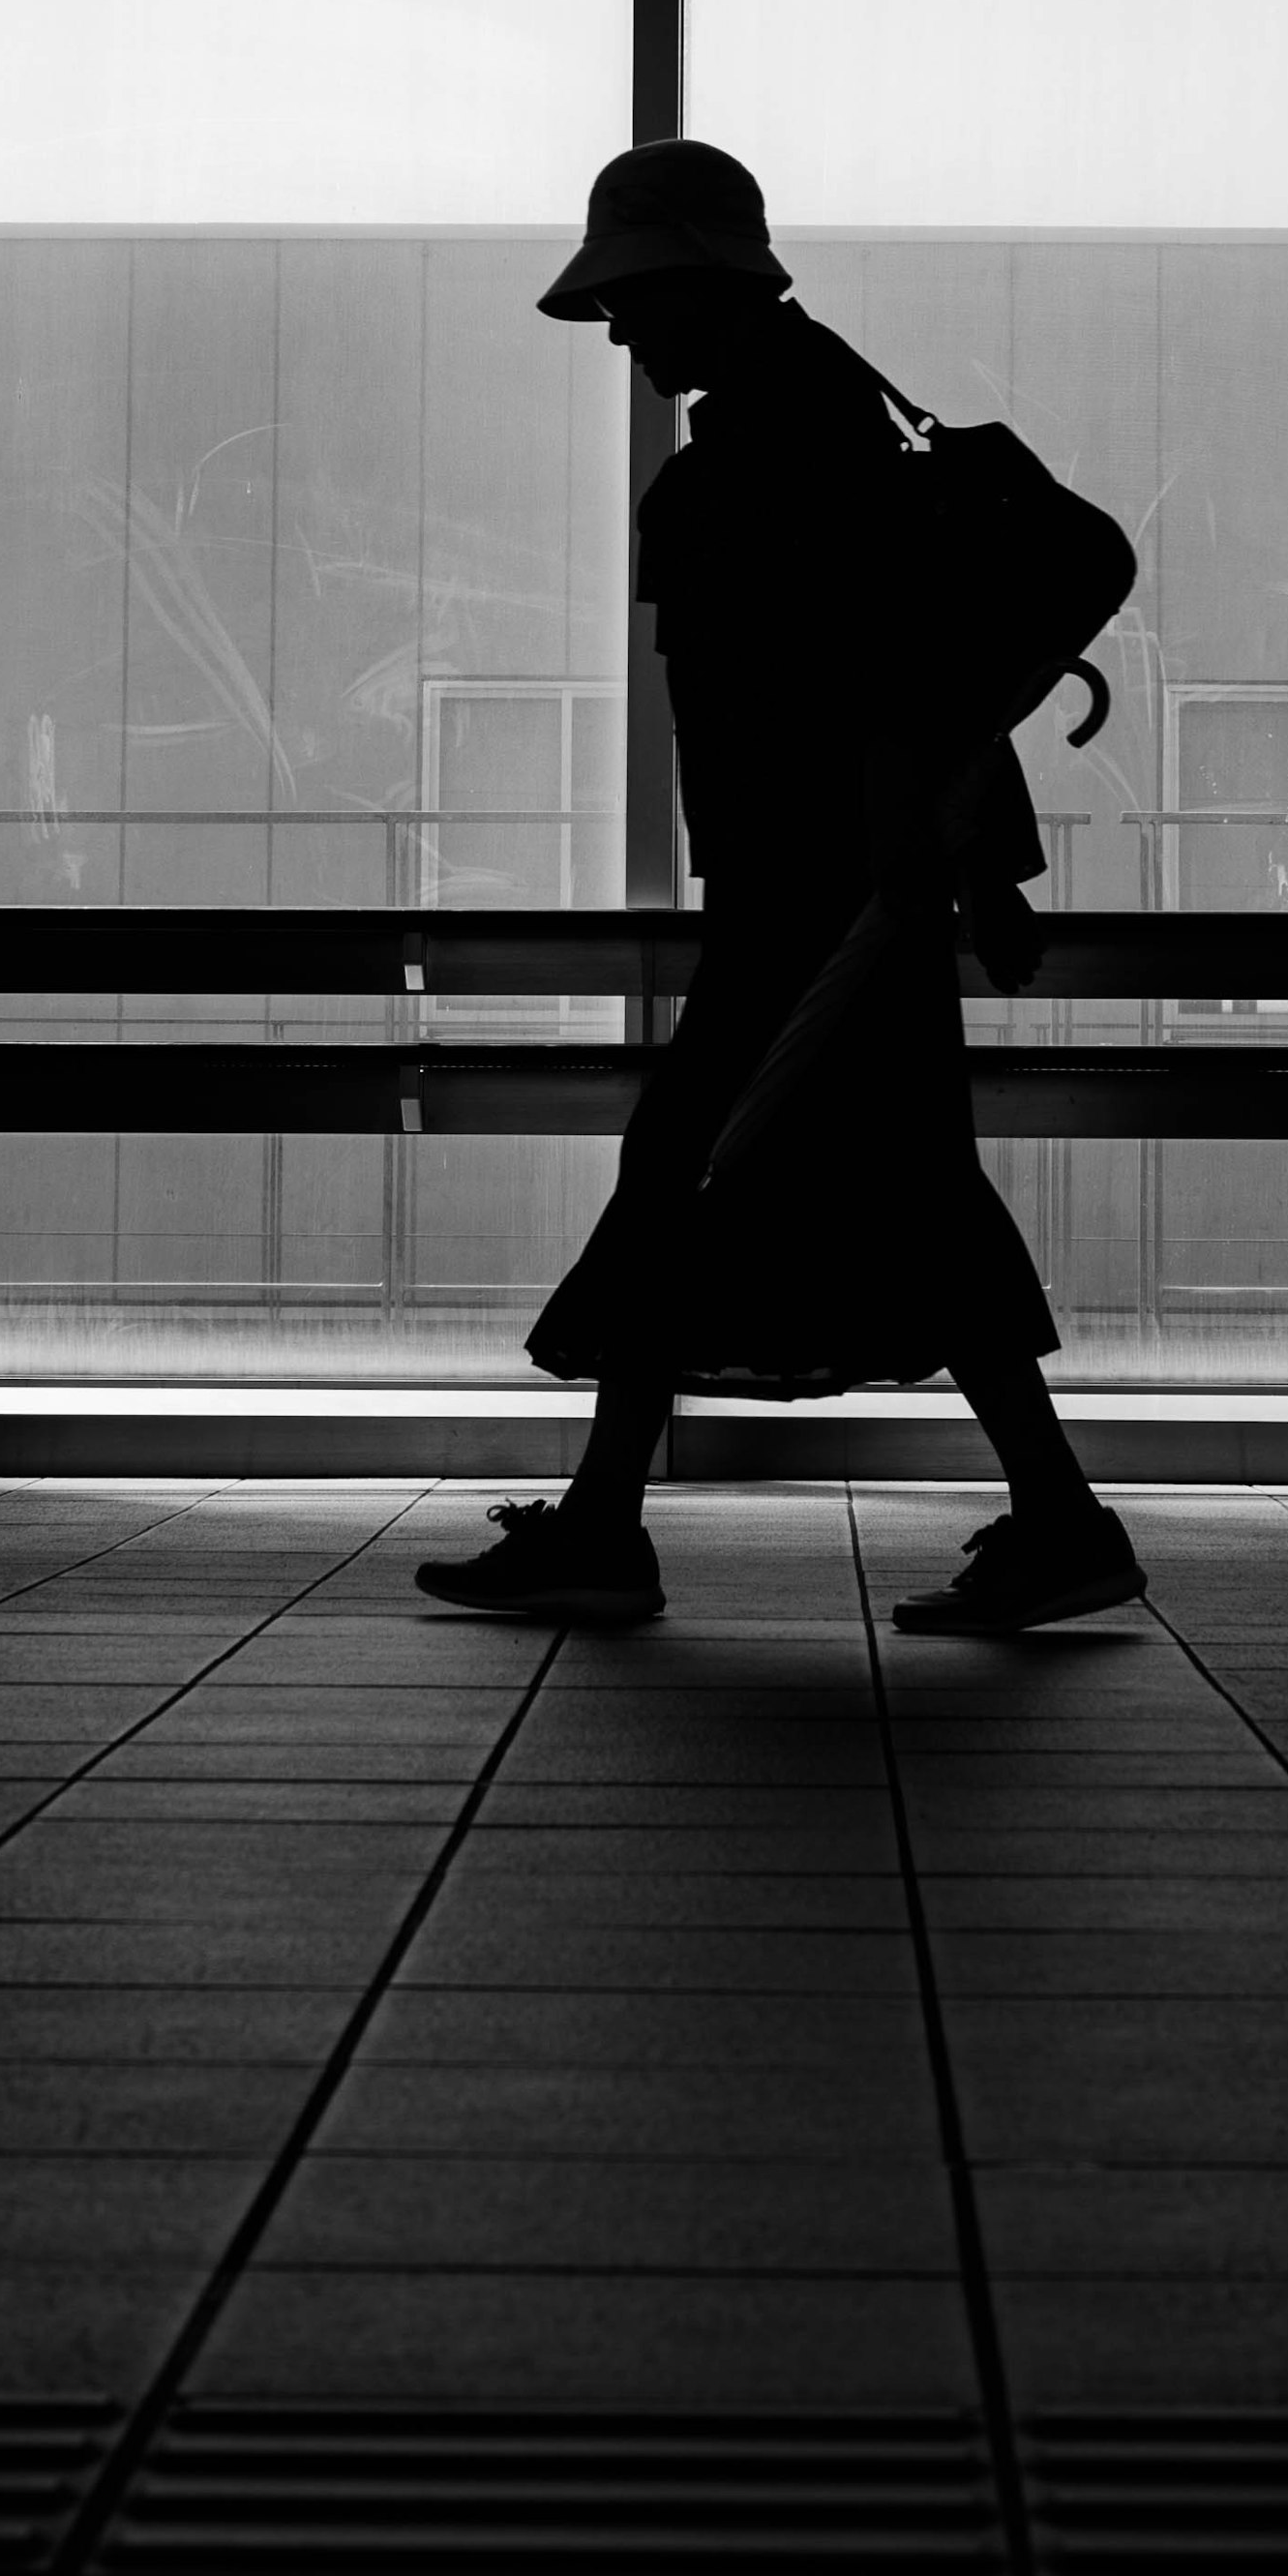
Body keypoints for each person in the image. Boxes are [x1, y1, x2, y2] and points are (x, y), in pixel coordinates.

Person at [416, 138, 1146, 1641]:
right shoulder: (832, 421)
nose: (619, 332)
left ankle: (617, 1530)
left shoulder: (765, 459)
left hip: (817, 908)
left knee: (708, 1177)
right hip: (848, 898)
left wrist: (880, 861)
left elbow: (844, 687)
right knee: (873, 1196)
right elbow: (914, 674)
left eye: (630, 301)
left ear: (693, 284)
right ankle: (1043, 1519)